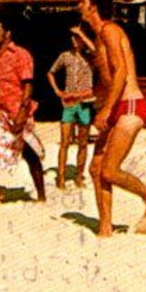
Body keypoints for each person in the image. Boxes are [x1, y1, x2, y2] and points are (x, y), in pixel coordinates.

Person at [80, 0, 146, 237]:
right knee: (96, 167)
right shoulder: (101, 35)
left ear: (93, 6)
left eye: (83, 1)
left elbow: (120, 71)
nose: (79, 5)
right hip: (117, 106)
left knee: (109, 169)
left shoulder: (110, 30)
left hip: (128, 105)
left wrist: (106, 109)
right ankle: (105, 227)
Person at [0, 18, 47, 203]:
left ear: (8, 34)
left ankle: (41, 195)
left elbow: (28, 86)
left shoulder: (21, 55)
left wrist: (22, 114)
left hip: (18, 110)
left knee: (28, 153)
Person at [47, 27, 95, 189]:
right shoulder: (65, 56)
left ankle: (79, 175)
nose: (75, 41)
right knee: (65, 142)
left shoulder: (90, 57)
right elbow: (51, 73)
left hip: (85, 102)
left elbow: (95, 49)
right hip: (69, 103)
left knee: (83, 142)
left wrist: (82, 34)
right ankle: (60, 177)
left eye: (77, 38)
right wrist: (57, 91)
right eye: (73, 37)